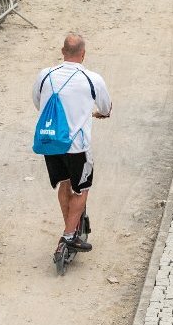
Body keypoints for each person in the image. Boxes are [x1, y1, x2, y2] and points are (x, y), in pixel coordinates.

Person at [32, 32, 113, 250]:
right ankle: (68, 237)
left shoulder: (45, 75)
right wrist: (101, 114)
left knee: (65, 183)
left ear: (62, 52)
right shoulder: (92, 79)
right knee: (82, 188)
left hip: (51, 142)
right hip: (77, 146)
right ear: (83, 54)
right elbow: (106, 108)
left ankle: (69, 226)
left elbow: (38, 103)